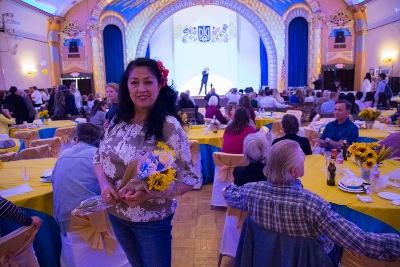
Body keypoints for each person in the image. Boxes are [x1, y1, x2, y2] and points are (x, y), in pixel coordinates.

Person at [223, 139, 400, 264]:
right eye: (302, 159)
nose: (305, 161)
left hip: (264, 257)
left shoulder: (252, 191)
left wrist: (225, 189)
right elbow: (359, 241)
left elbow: (229, 193)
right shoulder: (312, 205)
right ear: (294, 172)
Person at [93, 58, 199, 267]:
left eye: (148, 82)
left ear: (159, 85)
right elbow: (98, 157)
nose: (141, 89)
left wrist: (148, 193)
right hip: (116, 213)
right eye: (134, 82)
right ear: (127, 86)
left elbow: (189, 179)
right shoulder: (117, 120)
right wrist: (104, 185)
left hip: (151, 220)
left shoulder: (169, 127)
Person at [52, 123, 102, 236]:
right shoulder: (99, 156)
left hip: (64, 220)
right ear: (99, 141)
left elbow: (54, 182)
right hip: (92, 221)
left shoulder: (63, 155)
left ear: (77, 139)